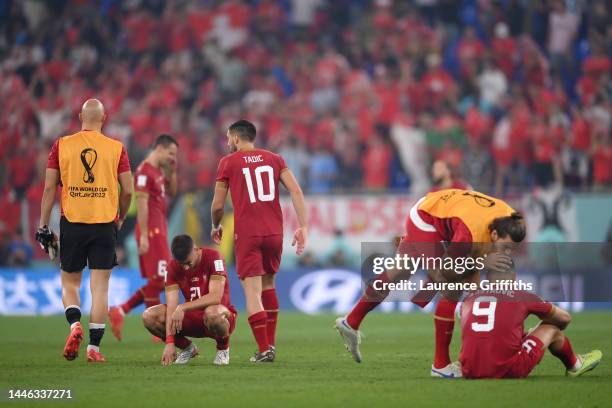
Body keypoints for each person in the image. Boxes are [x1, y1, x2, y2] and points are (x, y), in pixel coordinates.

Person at [335, 188, 524, 377]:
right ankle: (440, 366)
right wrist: (481, 265)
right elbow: (448, 271)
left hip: (436, 210)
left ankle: (351, 321)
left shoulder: (510, 219)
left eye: (512, 249)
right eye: (505, 248)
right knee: (451, 285)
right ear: (493, 236)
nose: (507, 253)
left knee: (400, 270)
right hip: (426, 221)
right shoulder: (470, 234)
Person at [36, 99, 133, 363]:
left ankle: (74, 325)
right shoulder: (117, 148)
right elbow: (128, 190)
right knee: (99, 288)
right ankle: (94, 349)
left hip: (73, 222)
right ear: (105, 118)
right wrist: (121, 216)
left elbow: (48, 189)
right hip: (104, 224)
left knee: (70, 282)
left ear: (80, 116)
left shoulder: (61, 145)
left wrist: (43, 225)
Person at [211, 119, 307, 362]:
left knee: (252, 293)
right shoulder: (275, 159)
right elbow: (296, 191)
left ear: (235, 138)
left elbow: (218, 205)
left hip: (248, 234)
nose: (227, 142)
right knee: (269, 285)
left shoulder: (227, 162)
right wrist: (303, 226)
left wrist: (215, 225)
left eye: (227, 137)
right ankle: (270, 345)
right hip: (274, 232)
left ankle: (264, 349)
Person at [460, 269, 602, 379]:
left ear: (489, 278)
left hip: (469, 370)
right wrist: (542, 326)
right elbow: (565, 318)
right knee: (551, 329)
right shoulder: (521, 295)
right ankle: (575, 365)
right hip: (508, 370)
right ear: (514, 276)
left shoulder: (469, 298)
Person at [109, 134, 178, 341]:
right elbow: (141, 207)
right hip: (151, 232)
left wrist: (172, 171)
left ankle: (121, 310)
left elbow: (173, 191)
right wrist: (146, 237)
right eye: (171, 153)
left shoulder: (158, 171)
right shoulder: (142, 173)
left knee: (160, 280)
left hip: (159, 231)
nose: (173, 157)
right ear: (159, 148)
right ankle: (155, 329)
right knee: (161, 280)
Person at [142, 234, 237, 366]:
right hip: (193, 319)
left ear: (195, 249)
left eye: (188, 263)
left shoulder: (214, 257)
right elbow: (171, 306)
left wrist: (183, 307)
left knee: (212, 312)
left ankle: (223, 349)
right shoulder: (172, 267)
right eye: (182, 264)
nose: (185, 268)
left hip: (219, 318)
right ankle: (188, 348)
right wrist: (170, 342)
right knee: (149, 316)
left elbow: (215, 297)